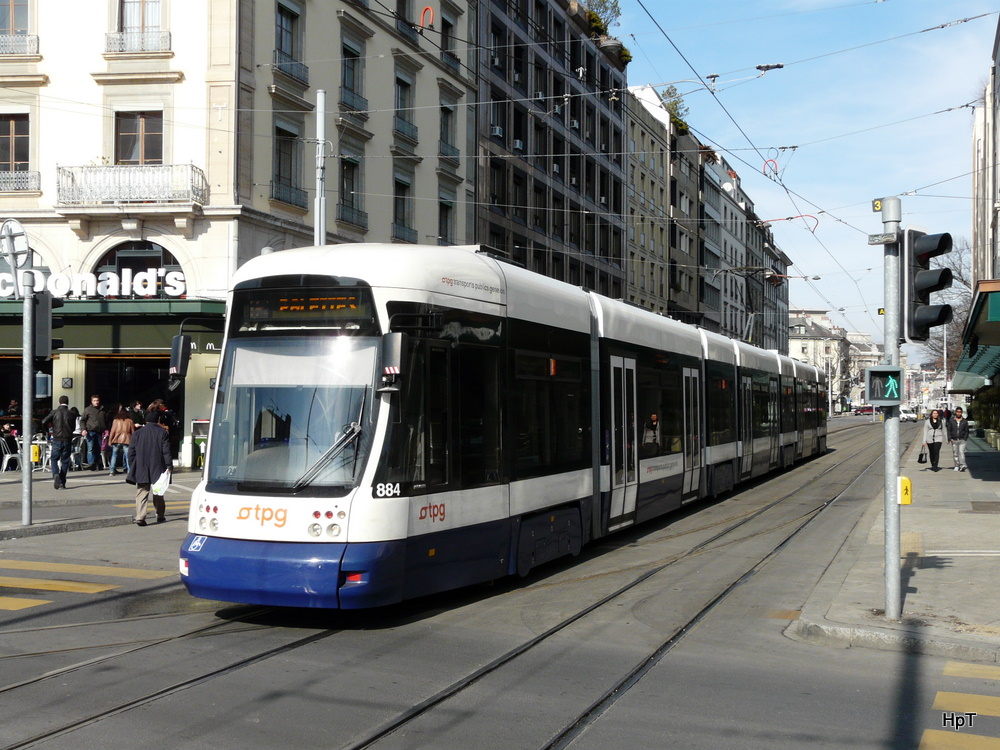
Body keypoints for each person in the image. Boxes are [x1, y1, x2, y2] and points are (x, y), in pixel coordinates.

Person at [127, 410, 172, 526]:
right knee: (158, 492)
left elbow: (131, 452)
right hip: (158, 466)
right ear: (157, 420)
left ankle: (140, 517)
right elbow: (166, 451)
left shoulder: (137, 433)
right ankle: (160, 515)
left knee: (142, 491)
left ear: (146, 420)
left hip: (141, 465)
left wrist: (133, 465)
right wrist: (169, 466)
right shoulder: (162, 433)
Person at [40, 395, 79, 490]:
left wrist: (48, 431)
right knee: (65, 461)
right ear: (68, 402)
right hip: (67, 439)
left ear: (59, 402)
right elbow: (73, 427)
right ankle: (62, 483)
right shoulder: (71, 413)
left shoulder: (54, 412)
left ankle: (55, 473)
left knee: (54, 459)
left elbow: (43, 421)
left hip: (57, 438)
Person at [107, 406, 135, 476]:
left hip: (117, 440)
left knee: (114, 455)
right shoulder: (130, 421)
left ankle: (112, 471)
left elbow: (112, 431)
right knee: (128, 456)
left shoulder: (116, 420)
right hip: (127, 440)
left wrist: (110, 440)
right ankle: (129, 471)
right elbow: (133, 432)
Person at [81, 394, 106, 470]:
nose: (96, 402)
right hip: (90, 431)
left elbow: (106, 419)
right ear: (92, 401)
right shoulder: (87, 410)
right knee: (91, 448)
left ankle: (97, 463)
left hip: (99, 431)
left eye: (97, 400)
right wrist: (83, 429)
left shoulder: (102, 409)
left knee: (98, 448)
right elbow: (82, 420)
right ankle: (91, 464)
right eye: (94, 401)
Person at [948, 406, 969, 472]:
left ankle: (962, 465)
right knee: (955, 453)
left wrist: (965, 438)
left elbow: (967, 431)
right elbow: (949, 430)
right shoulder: (951, 421)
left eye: (960, 412)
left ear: (961, 413)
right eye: (957, 412)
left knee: (961, 452)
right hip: (954, 440)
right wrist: (950, 438)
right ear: (955, 412)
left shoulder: (964, 421)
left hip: (962, 439)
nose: (958, 413)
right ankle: (957, 465)